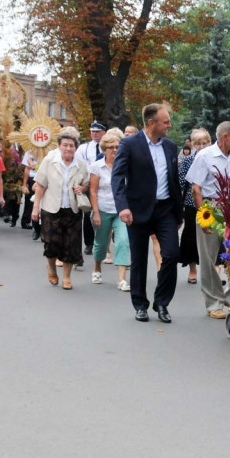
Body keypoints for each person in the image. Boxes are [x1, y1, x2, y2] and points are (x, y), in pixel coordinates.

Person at [111, 103, 181, 323]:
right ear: (152, 123)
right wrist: (122, 206)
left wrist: (179, 213)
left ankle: (162, 302)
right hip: (137, 210)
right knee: (139, 259)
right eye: (166, 121)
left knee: (171, 254)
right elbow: (117, 177)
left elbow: (174, 179)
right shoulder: (130, 144)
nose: (169, 125)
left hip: (165, 209)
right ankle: (140, 304)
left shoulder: (170, 146)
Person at [186, 122, 230, 319]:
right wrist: (204, 216)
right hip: (211, 207)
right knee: (209, 258)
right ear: (224, 137)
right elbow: (196, 188)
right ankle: (213, 303)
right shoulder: (204, 156)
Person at [31, 127, 90, 288]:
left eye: (71, 145)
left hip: (72, 209)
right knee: (51, 243)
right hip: (51, 209)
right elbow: (41, 186)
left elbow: (86, 184)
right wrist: (35, 208)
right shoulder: (50, 161)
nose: (68, 148)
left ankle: (66, 277)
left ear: (76, 148)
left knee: (71, 245)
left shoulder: (81, 164)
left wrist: (82, 188)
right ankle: (51, 267)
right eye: (65, 145)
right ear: (59, 146)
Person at [89, 128, 130, 290]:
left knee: (123, 242)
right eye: (111, 147)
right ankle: (97, 268)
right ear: (104, 149)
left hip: (121, 211)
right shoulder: (97, 167)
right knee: (100, 243)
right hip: (103, 209)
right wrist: (96, 212)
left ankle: (121, 279)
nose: (114, 150)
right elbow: (92, 191)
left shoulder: (126, 166)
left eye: (117, 147)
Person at [177, 128, 211, 287]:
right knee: (191, 235)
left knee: (214, 235)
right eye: (198, 143)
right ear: (192, 144)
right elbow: (181, 183)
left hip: (211, 203)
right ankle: (192, 269)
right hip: (192, 203)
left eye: (205, 143)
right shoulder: (188, 160)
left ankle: (215, 269)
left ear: (210, 143)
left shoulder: (214, 158)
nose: (202, 146)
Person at [76, 121, 106, 255]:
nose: (94, 134)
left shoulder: (109, 146)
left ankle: (103, 241)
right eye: (92, 131)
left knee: (105, 213)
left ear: (104, 132)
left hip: (105, 184)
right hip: (89, 183)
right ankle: (89, 243)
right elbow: (79, 165)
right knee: (88, 214)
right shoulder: (84, 148)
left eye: (97, 131)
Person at [20, 149, 39, 235]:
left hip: (45, 178)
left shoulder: (51, 151)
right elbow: (27, 169)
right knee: (29, 201)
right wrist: (24, 184)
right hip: (32, 178)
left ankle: (39, 225)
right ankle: (26, 220)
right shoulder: (30, 151)